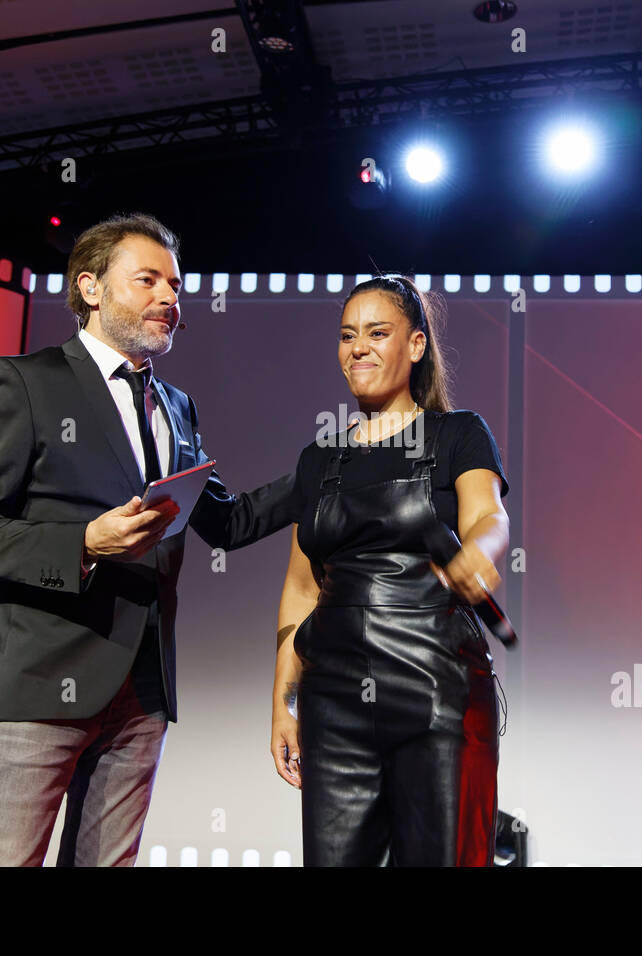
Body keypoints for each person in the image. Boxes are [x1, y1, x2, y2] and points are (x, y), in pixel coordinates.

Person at [0, 213, 295, 866]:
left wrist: (327, 470)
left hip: (142, 693)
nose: (170, 299)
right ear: (91, 288)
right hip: (39, 683)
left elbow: (228, 521)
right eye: (149, 280)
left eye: (176, 287)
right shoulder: (25, 382)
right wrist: (82, 543)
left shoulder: (175, 405)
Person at [270, 274, 511, 866]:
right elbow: (303, 590)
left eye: (378, 333)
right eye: (348, 335)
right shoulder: (320, 460)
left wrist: (480, 550)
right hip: (334, 701)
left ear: (417, 345)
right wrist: (284, 701)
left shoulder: (457, 433)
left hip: (436, 690)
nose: (359, 348)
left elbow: (489, 516)